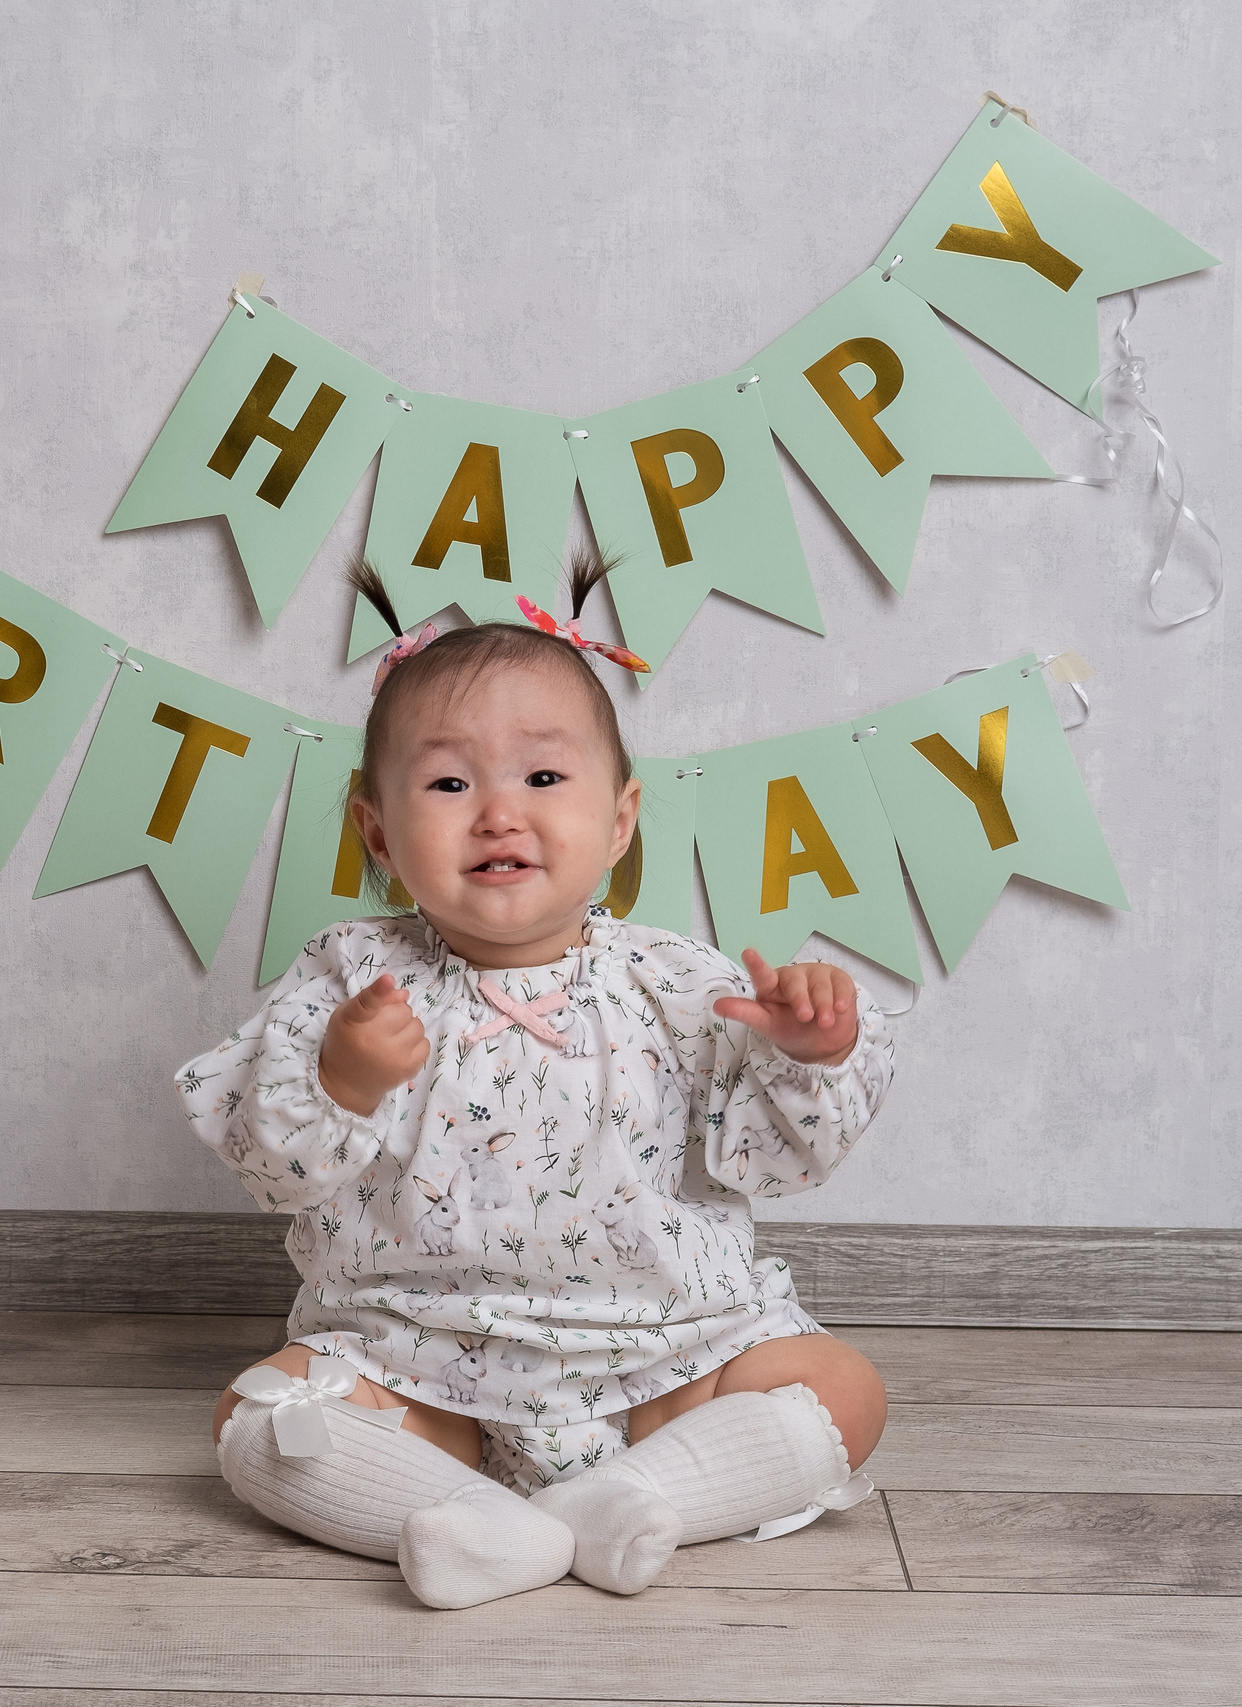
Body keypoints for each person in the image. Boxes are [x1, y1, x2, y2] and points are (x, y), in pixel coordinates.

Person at [176, 555, 896, 1610]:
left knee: (844, 1390)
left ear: (619, 820)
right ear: (378, 832)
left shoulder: (679, 983)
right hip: (418, 1363)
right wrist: (343, 1076)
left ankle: (632, 1496)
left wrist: (810, 1052)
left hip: (665, 1357)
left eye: (544, 779)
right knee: (261, 1420)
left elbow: (778, 1162)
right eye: (449, 783)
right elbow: (270, 1167)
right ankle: (473, 1515)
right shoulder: (349, 980)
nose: (498, 814)